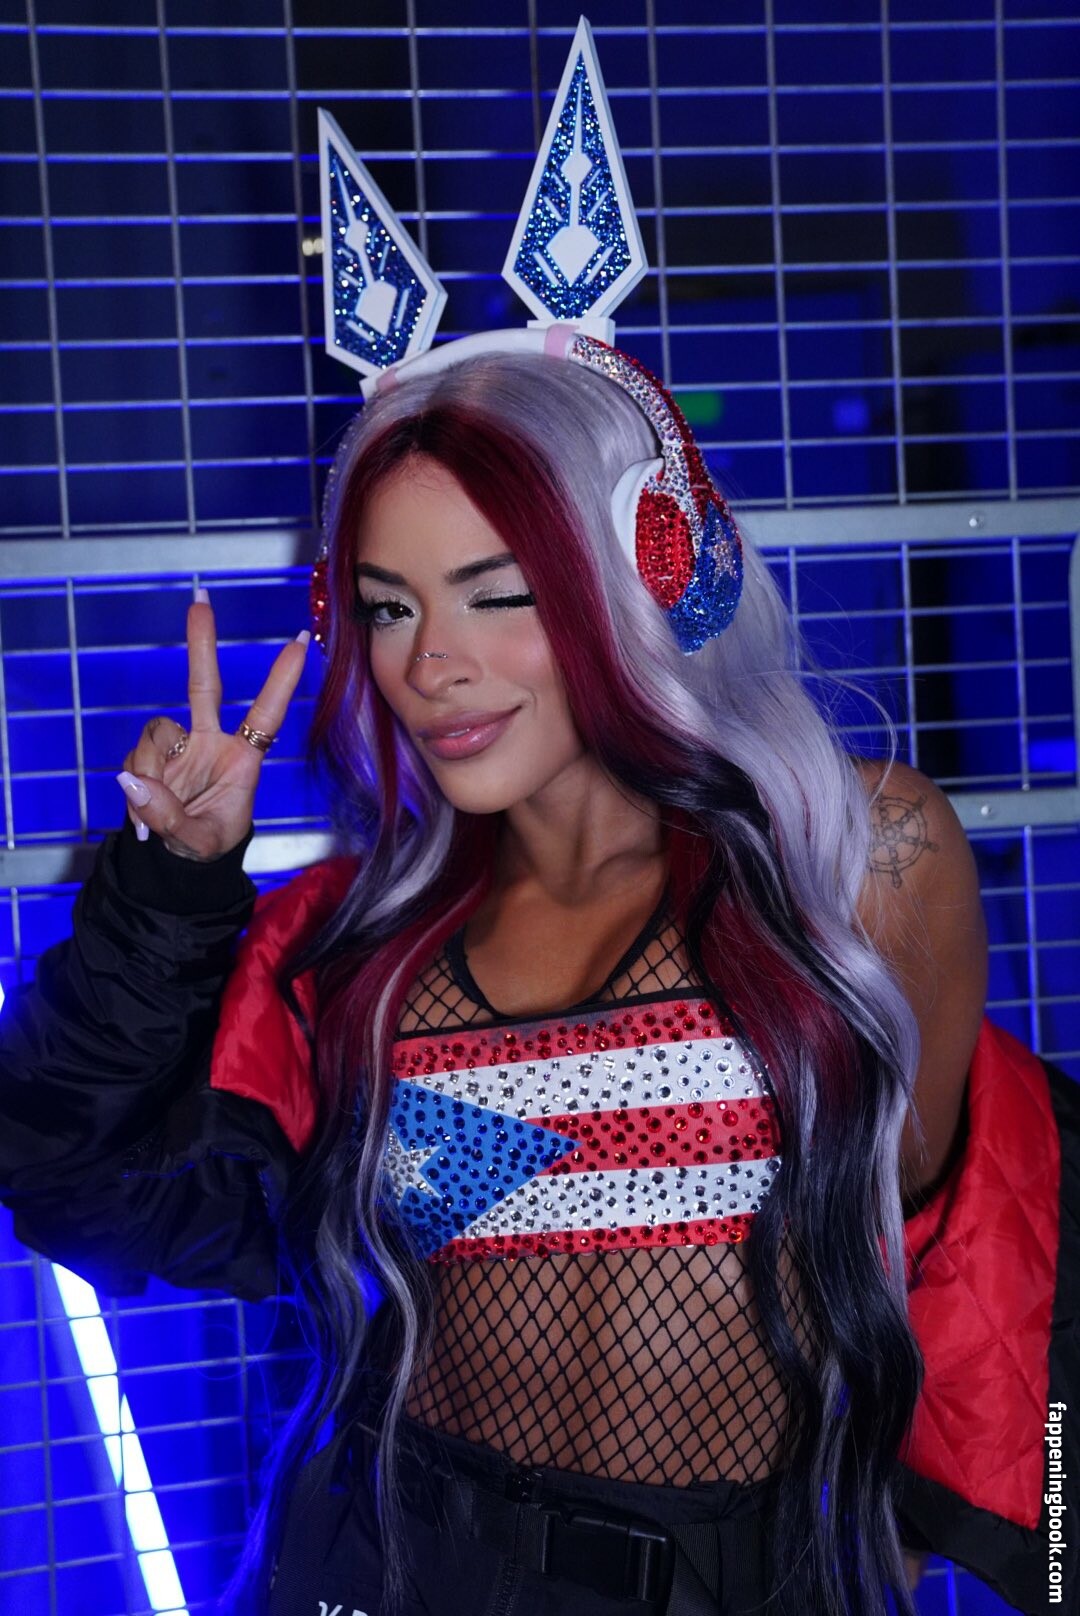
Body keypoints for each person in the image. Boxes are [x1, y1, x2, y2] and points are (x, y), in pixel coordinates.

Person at [0, 349, 1073, 1616]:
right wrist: (173, 886)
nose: (430, 664)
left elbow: (934, 1228)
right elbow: (59, 1167)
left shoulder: (856, 861)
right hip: (386, 1560)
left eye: (497, 593)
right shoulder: (360, 947)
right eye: (388, 607)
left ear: (641, 577)